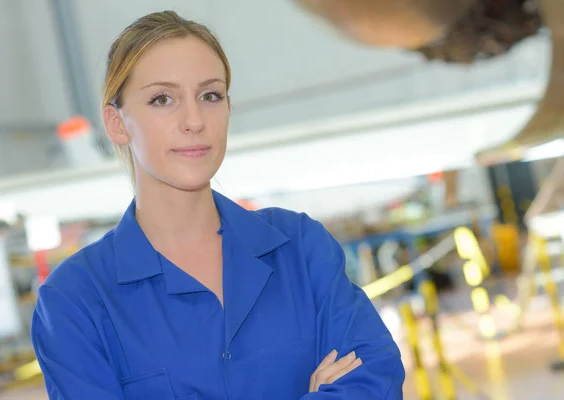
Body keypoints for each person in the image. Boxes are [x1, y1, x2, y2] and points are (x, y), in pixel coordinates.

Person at [31, 11, 405, 399]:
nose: (194, 120)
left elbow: (373, 379)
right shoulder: (75, 300)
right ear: (117, 123)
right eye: (162, 99)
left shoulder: (299, 246)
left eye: (210, 95)